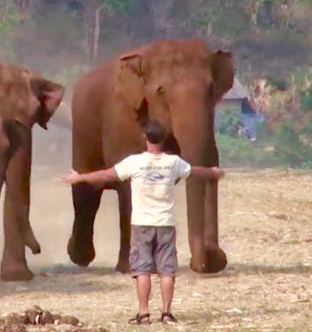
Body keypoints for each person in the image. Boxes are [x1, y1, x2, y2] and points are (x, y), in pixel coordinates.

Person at [61, 119, 225, 325]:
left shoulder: (134, 162)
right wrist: (214, 173)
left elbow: (106, 174)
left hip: (141, 225)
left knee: (142, 269)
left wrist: (80, 177)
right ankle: (166, 313)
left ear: (145, 138)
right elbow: (194, 172)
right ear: (164, 139)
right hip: (165, 223)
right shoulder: (173, 163)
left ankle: (144, 313)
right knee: (167, 270)